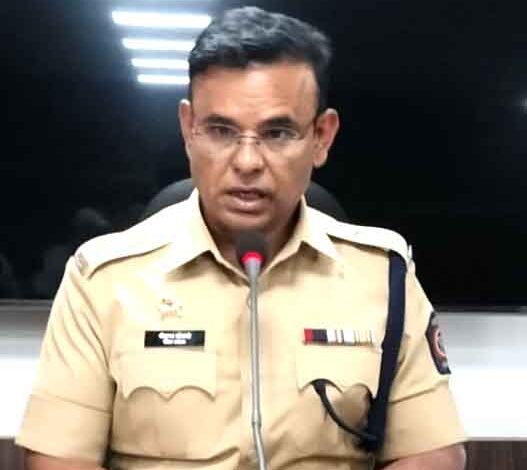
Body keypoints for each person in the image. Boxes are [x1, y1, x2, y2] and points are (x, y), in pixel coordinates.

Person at [16, 6, 466, 469]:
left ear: (321, 137)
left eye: (278, 133)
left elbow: (430, 451)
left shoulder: (384, 274)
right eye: (221, 130)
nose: (247, 162)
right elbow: (60, 458)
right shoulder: (102, 279)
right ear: (188, 130)